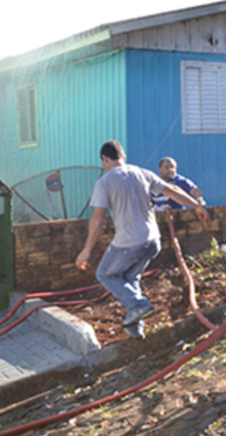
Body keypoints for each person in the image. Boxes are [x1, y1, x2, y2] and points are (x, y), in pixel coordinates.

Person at [76, 140, 210, 339]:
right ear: (124, 157)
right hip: (152, 241)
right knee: (130, 279)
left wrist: (87, 250)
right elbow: (172, 191)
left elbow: (97, 220)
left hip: (128, 243)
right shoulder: (143, 172)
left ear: (105, 159)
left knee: (105, 274)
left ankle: (138, 305)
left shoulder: (104, 182)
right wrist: (196, 206)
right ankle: (136, 329)